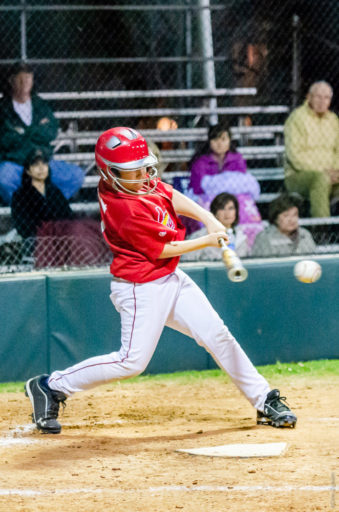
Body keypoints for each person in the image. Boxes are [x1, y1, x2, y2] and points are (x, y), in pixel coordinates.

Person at [25, 127, 297, 434]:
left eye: (143, 167)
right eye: (132, 170)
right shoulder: (123, 207)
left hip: (168, 277)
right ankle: (50, 385)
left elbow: (168, 192)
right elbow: (164, 248)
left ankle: (264, 399)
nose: (142, 174)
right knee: (131, 362)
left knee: (217, 334)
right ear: (110, 172)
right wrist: (207, 240)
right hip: (141, 287)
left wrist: (209, 218)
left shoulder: (133, 183)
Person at [0, 61, 84, 205]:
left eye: (28, 78)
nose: (24, 82)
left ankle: (47, 206)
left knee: (76, 175)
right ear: (11, 81)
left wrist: (24, 133)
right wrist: (35, 133)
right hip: (16, 163)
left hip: (42, 162)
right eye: (20, 78)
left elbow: (51, 132)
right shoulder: (3, 107)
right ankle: (22, 208)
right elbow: (6, 138)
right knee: (2, 178)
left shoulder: (40, 105)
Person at [11, 148, 110, 268]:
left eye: (44, 164)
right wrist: (46, 229)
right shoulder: (20, 194)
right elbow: (21, 224)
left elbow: (68, 215)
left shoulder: (55, 192)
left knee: (82, 229)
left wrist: (59, 228)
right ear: (28, 171)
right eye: (36, 165)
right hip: (38, 237)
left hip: (62, 235)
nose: (41, 168)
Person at [187, 123, 263, 244]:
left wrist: (217, 184)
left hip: (232, 198)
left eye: (223, 139)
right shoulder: (200, 162)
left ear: (229, 141)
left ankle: (248, 238)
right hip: (208, 199)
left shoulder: (237, 158)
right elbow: (198, 189)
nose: (219, 143)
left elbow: (243, 183)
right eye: (215, 139)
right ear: (209, 141)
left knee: (244, 203)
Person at [284, 81, 339, 218]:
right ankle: (322, 232)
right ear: (309, 97)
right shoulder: (296, 118)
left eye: (326, 98)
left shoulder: (334, 120)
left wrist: (336, 170)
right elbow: (294, 156)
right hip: (299, 175)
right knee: (320, 179)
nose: (322, 101)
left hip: (333, 173)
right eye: (318, 97)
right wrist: (324, 171)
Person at [181, 192, 251, 261]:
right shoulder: (200, 236)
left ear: (236, 211)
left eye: (231, 208)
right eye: (222, 208)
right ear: (215, 212)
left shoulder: (242, 237)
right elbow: (187, 260)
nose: (227, 213)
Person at [251, 193, 316, 257]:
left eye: (295, 215)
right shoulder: (264, 238)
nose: (291, 220)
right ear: (275, 219)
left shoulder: (305, 235)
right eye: (286, 216)